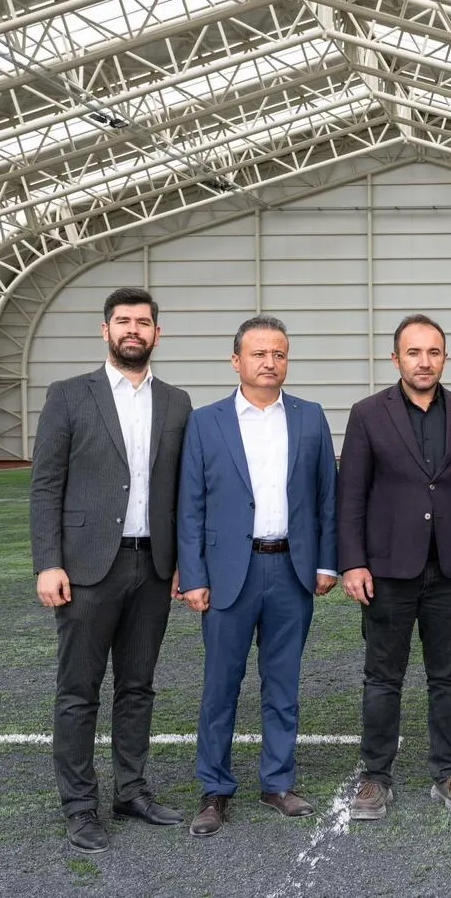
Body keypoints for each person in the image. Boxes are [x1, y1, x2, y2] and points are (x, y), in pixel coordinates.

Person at [30, 287, 193, 853]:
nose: (132, 330)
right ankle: (80, 806)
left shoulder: (177, 402)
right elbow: (45, 485)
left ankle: (131, 790)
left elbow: (183, 491)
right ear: (106, 330)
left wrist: (184, 562)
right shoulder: (69, 395)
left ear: (156, 334)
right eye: (123, 321)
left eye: (142, 322)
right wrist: (49, 563)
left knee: (138, 686)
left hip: (154, 565)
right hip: (87, 568)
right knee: (79, 691)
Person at [176, 315, 338, 837]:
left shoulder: (311, 417)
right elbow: (190, 504)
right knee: (220, 687)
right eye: (259, 354)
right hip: (229, 573)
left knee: (283, 683)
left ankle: (278, 782)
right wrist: (194, 574)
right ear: (236, 361)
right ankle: (215, 789)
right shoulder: (206, 422)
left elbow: (327, 497)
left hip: (291, 570)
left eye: (279, 354)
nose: (270, 363)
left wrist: (326, 561)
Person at [338, 314, 451, 821]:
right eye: (413, 352)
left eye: (433, 352)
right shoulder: (367, 414)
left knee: (447, 677)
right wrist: (353, 562)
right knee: (382, 677)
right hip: (387, 570)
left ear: (445, 358)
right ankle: (376, 777)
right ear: (396, 359)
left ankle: (448, 773)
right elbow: (351, 495)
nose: (424, 361)